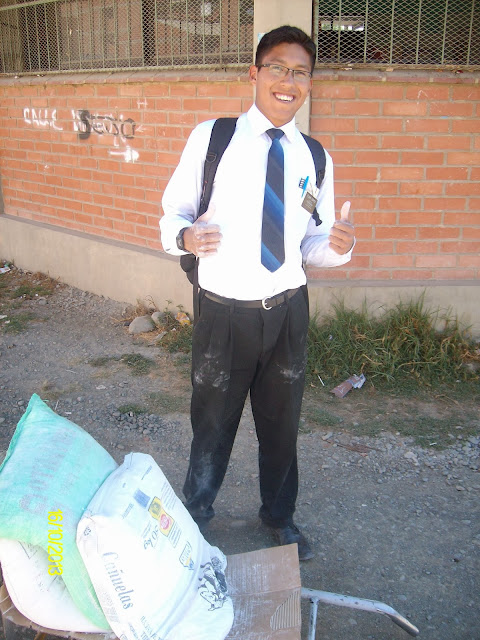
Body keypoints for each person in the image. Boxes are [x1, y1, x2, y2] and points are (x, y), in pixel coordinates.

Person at [160, 25, 355, 561]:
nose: (288, 81)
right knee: (212, 422)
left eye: (301, 72)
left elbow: (310, 243)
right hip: (224, 314)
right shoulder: (213, 139)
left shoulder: (314, 157)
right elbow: (172, 213)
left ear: (309, 83)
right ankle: (197, 515)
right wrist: (185, 236)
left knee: (282, 424)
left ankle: (279, 516)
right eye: (278, 68)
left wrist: (337, 246)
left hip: (287, 312)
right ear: (254, 73)